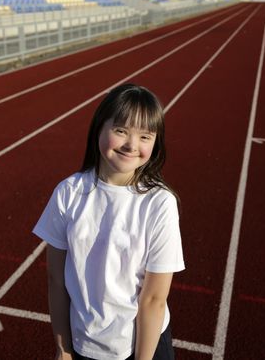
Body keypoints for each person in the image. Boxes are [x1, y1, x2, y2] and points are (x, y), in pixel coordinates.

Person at [33, 83, 185, 360]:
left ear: (156, 142)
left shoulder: (160, 203)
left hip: (143, 347)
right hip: (84, 344)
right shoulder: (69, 192)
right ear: (99, 129)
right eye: (121, 131)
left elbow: (153, 299)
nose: (131, 145)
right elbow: (56, 279)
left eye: (145, 136)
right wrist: (63, 348)